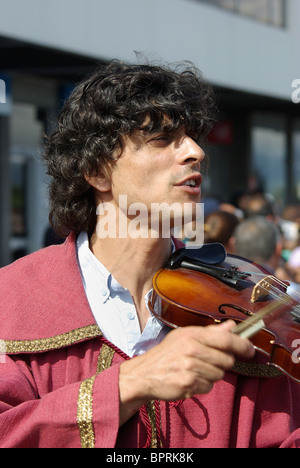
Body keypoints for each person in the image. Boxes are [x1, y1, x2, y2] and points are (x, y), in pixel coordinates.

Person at [0, 60, 300, 449]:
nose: (195, 152)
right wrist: (131, 383)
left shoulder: (248, 296)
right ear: (96, 171)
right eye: (162, 139)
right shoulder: (11, 298)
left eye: (193, 136)